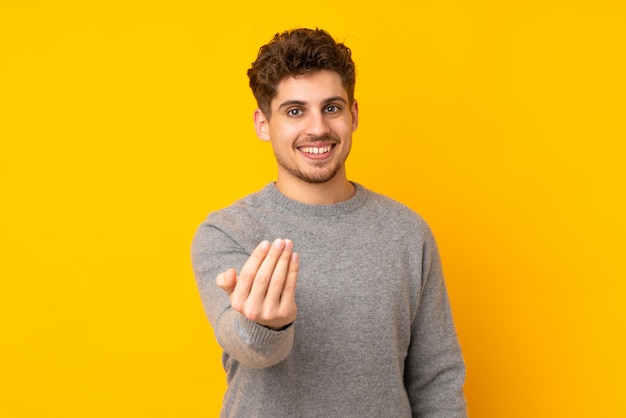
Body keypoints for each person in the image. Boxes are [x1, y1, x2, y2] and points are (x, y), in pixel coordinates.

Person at [191, 28, 467, 417]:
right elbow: (247, 349)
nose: (317, 128)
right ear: (263, 123)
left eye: (332, 108)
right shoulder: (228, 232)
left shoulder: (407, 232)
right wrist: (267, 326)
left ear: (352, 116)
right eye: (294, 111)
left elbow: (436, 378)